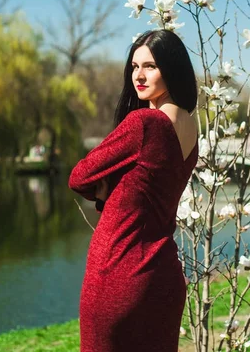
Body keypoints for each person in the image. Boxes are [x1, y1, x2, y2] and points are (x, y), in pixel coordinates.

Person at [68, 29, 199, 352]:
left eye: (150, 66)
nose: (138, 76)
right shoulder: (190, 127)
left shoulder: (145, 124)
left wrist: (106, 189)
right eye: (134, 67)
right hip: (163, 277)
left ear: (172, 68)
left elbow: (79, 177)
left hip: (120, 273)